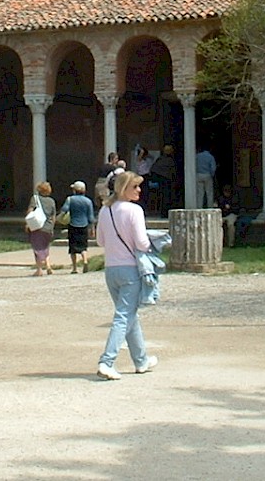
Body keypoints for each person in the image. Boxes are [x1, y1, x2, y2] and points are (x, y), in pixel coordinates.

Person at [95, 172, 156, 380]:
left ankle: (141, 360)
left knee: (129, 315)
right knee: (124, 317)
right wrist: (154, 244)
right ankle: (107, 361)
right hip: (130, 269)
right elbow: (142, 243)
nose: (139, 190)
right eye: (135, 187)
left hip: (111, 269)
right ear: (124, 189)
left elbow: (100, 241)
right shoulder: (134, 210)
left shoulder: (105, 210)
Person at [62, 180, 96, 273]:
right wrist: (92, 228)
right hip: (84, 225)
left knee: (73, 248)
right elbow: (91, 216)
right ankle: (85, 260)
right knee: (83, 246)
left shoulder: (70, 199)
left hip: (73, 224)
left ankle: (74, 268)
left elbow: (64, 209)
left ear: (74, 190)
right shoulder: (88, 201)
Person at [26, 181, 57, 276]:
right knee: (45, 246)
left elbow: (30, 211)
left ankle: (39, 269)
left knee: (37, 247)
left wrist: (27, 224)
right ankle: (48, 266)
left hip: (37, 226)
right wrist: (51, 227)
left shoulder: (35, 199)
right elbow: (53, 216)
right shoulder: (51, 201)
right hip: (48, 226)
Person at [216, 183, 255, 247]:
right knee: (217, 224)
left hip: (232, 214)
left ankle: (231, 243)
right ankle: (218, 243)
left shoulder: (234, 198)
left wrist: (229, 208)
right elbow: (219, 207)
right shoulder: (221, 198)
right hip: (223, 215)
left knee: (231, 224)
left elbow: (236, 209)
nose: (226, 193)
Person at [147, 145, 178, 217]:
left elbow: (154, 169)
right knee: (167, 198)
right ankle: (165, 213)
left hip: (162, 182)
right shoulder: (169, 160)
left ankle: (164, 213)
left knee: (163, 198)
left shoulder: (160, 159)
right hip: (166, 182)